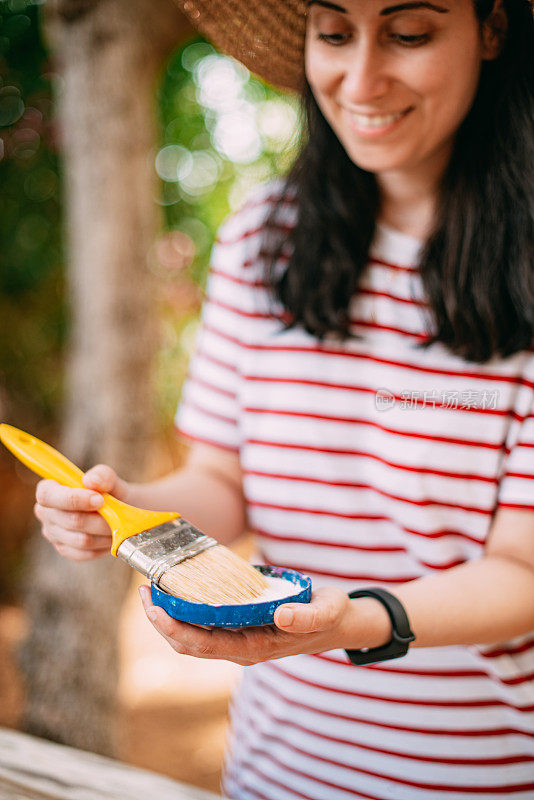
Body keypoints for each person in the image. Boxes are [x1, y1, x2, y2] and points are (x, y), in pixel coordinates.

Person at [33, 0, 534, 797]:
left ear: (493, 27)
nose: (361, 78)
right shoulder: (264, 235)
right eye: (334, 34)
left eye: (409, 34)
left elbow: (522, 571)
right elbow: (225, 481)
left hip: (480, 778)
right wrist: (134, 508)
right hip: (278, 770)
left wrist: (358, 621)